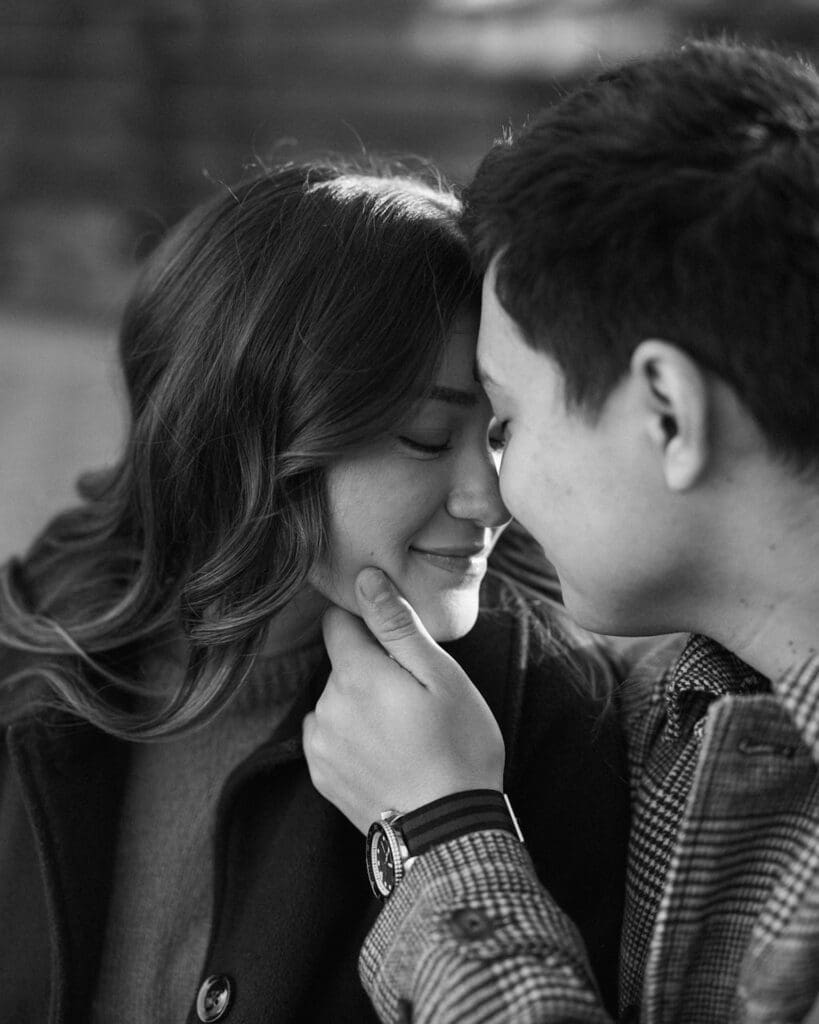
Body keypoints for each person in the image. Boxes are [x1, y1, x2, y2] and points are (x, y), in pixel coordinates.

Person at [0, 160, 630, 1023]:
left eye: (499, 434)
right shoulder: (30, 641)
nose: (491, 499)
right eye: (423, 436)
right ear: (242, 436)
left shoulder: (546, 715)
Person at [302, 41, 819, 1023]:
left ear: (668, 413)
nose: (494, 491)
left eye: (505, 420)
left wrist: (444, 832)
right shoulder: (686, 693)